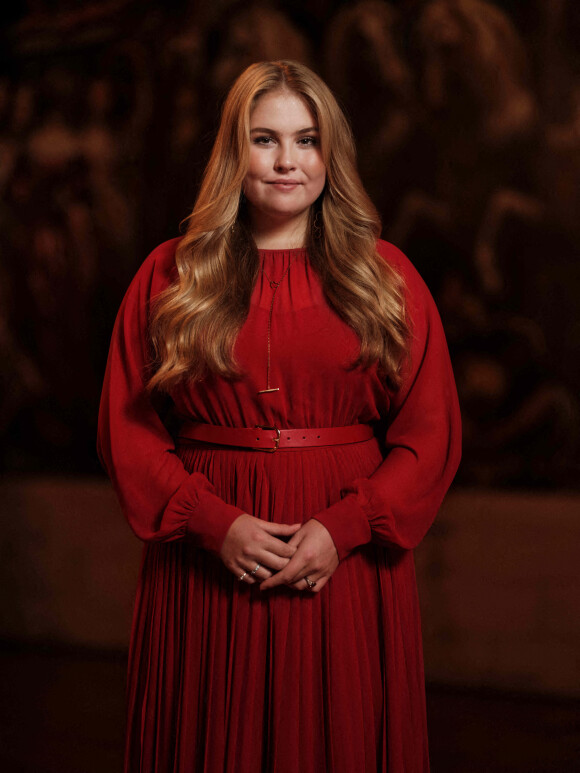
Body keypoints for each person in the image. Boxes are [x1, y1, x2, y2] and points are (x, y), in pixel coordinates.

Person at [98, 59, 461, 773]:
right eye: (265, 139)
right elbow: (128, 427)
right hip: (205, 558)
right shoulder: (171, 275)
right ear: (235, 153)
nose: (287, 160)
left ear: (332, 154)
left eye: (307, 139)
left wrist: (346, 526)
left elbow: (430, 432)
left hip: (346, 562)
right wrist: (212, 522)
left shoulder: (387, 276)